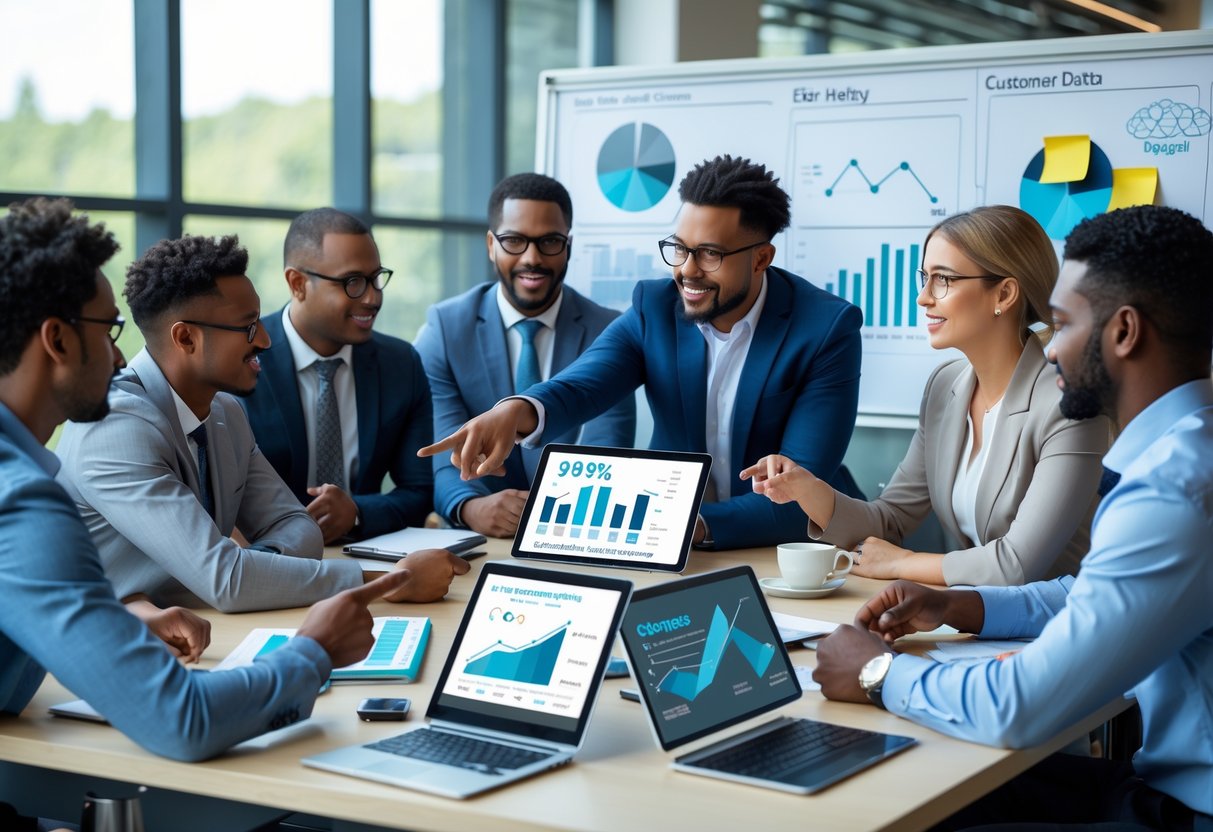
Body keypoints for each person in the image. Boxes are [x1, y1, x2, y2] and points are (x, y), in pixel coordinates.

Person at [0, 196, 431, 781]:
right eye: (109, 331)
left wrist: (118, 618)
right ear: (56, 341)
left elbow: (285, 532)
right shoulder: (24, 501)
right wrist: (318, 649)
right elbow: (185, 721)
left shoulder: (222, 413)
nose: (120, 353)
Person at [814, 205, 1213, 831]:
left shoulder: (1176, 492)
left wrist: (877, 670)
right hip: (1152, 779)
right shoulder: (1189, 453)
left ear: (1124, 331)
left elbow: (1020, 707)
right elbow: (1092, 592)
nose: (1049, 348)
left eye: (1060, 325)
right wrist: (961, 606)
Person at [421, 155, 863, 550]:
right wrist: (515, 411)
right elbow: (581, 386)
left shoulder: (826, 329)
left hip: (793, 549)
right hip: (670, 549)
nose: (686, 271)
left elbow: (803, 491)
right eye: (679, 249)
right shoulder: (654, 309)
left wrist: (690, 526)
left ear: (762, 258)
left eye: (709, 254)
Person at [56, 233, 468, 613]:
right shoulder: (114, 426)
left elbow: (297, 527)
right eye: (248, 327)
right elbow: (229, 581)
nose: (266, 340)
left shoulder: (225, 413)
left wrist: (251, 571)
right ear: (186, 339)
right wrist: (389, 582)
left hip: (198, 628)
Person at [742, 206, 1108, 586]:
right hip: (983, 620)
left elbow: (1015, 565)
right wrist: (807, 489)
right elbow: (891, 519)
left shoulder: (1068, 404)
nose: (923, 298)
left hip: (1065, 622)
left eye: (943, 280)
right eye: (924, 278)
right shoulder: (945, 387)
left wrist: (902, 564)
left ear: (1004, 293)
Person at [414, 173, 635, 538]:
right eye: (514, 241)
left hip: (575, 533)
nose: (532, 258)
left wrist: (547, 514)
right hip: (483, 540)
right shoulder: (445, 329)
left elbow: (606, 453)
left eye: (549, 242)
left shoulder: (609, 330)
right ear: (490, 245)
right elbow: (447, 454)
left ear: (568, 246)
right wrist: (471, 508)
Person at [241, 208, 432, 543]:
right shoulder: (243, 357)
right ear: (297, 283)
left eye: (376, 278)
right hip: (264, 560)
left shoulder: (401, 364)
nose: (373, 298)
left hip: (368, 552)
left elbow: (421, 490)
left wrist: (356, 512)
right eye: (353, 282)